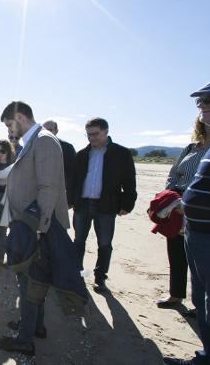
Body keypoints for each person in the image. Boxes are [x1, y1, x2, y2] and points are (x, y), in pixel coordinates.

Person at [0, 101, 87, 357]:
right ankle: (35, 325)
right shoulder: (34, 141)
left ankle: (25, 338)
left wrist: (38, 229)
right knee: (37, 278)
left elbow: (48, 188)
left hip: (35, 226)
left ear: (20, 117)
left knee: (28, 280)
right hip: (29, 223)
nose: (10, 131)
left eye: (10, 125)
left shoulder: (44, 141)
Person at [163, 74, 210, 365]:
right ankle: (206, 357)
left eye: (208, 98)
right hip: (198, 237)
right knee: (204, 307)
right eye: (198, 100)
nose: (200, 105)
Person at [71, 117, 137, 292]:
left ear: (106, 132)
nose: (92, 138)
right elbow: (74, 181)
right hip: (82, 205)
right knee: (78, 241)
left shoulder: (121, 153)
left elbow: (129, 182)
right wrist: (70, 200)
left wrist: (127, 204)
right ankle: (76, 274)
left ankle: (100, 278)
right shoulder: (82, 154)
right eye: (89, 134)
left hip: (106, 206)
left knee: (105, 244)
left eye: (95, 134)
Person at [156, 118, 210, 311]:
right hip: (177, 203)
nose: (209, 125)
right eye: (204, 122)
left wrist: (189, 202)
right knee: (176, 251)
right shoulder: (191, 148)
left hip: (203, 205)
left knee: (200, 257)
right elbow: (174, 173)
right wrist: (171, 197)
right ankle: (176, 295)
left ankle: (203, 305)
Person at [43, 119, 77, 206]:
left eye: (49, 130)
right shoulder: (34, 146)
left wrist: (69, 199)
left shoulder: (67, 148)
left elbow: (72, 173)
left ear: (56, 131)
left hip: (58, 196)